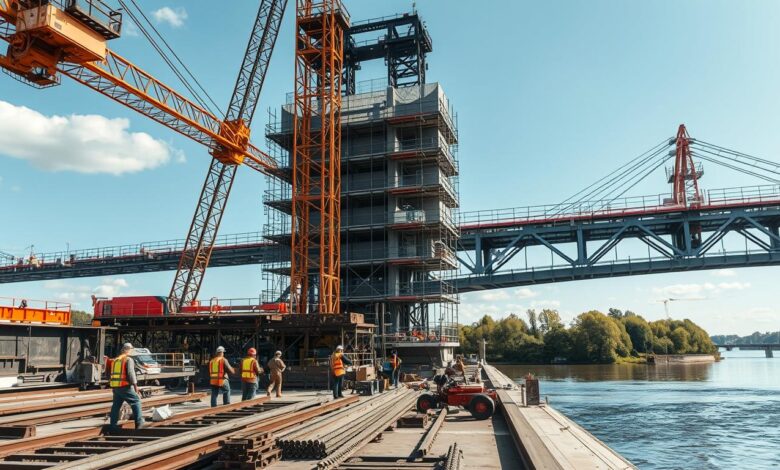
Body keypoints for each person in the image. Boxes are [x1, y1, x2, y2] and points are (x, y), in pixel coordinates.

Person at [108, 343, 145, 430]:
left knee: (116, 405)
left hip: (116, 387)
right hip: (125, 386)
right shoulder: (128, 360)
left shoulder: (116, 360)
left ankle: (113, 425)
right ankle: (139, 423)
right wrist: (135, 386)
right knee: (136, 401)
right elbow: (131, 374)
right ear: (128, 350)